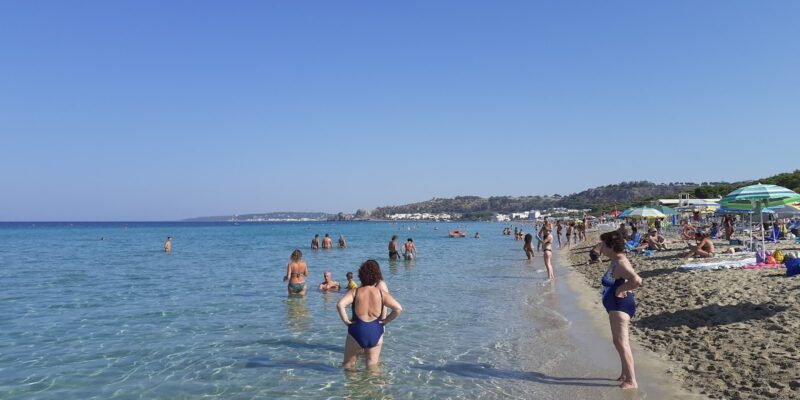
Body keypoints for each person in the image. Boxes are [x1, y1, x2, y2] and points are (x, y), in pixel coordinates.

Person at [337, 260, 403, 369]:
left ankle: (353, 385)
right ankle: (373, 385)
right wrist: (385, 320)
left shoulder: (355, 292)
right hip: (376, 330)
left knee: (348, 366)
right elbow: (398, 308)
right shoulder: (381, 293)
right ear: (377, 275)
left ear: (361, 275)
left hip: (357, 330)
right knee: (372, 367)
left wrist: (346, 321)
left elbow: (340, 305)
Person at [598, 231, 643, 390]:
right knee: (618, 342)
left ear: (611, 246)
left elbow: (637, 280)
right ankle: (625, 373)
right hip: (615, 307)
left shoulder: (621, 262)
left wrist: (622, 289)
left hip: (620, 307)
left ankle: (631, 380)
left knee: (622, 343)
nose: (601, 247)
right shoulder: (615, 260)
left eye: (603, 244)